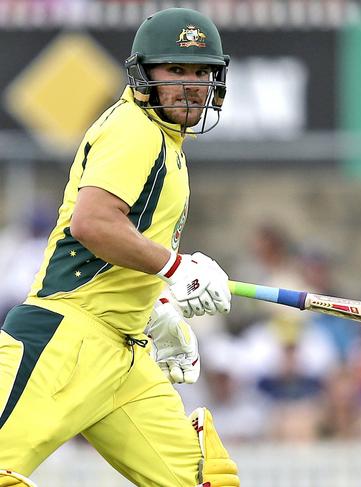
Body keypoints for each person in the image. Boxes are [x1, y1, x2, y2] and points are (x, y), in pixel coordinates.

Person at [0, 8, 239, 487]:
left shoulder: (169, 142)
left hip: (126, 352)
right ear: (144, 74)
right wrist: (175, 266)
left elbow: (124, 251)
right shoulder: (137, 129)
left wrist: (157, 306)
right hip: (68, 339)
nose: (191, 84)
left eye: (201, 72)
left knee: (205, 482)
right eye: (176, 70)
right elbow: (93, 224)